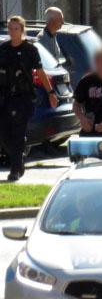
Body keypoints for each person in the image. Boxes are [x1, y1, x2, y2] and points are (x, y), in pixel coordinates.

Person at [0, 17, 57, 181]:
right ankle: (19, 160)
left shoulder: (30, 50)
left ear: (22, 30)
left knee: (18, 133)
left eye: (16, 29)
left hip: (23, 98)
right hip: (5, 98)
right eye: (10, 29)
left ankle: (15, 169)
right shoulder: (3, 49)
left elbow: (40, 73)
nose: (12, 32)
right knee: (4, 135)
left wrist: (51, 92)